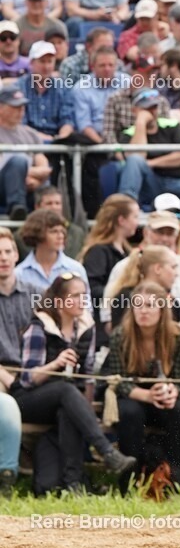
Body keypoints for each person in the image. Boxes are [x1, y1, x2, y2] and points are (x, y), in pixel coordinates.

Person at [13, 274, 136, 494]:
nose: (82, 301)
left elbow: (87, 376)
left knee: (68, 409)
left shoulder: (86, 328)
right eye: (76, 296)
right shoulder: (39, 327)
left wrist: (84, 411)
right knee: (65, 390)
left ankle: (74, 483)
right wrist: (56, 364)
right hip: (30, 399)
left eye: (84, 296)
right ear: (59, 301)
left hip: (65, 401)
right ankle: (106, 451)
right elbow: (27, 379)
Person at [105, 281, 180, 492]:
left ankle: (173, 477)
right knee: (130, 413)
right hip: (133, 394)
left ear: (162, 310)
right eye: (138, 305)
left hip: (163, 393)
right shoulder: (120, 336)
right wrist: (146, 395)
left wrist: (172, 392)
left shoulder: (179, 337)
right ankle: (131, 479)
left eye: (149, 305)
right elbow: (117, 379)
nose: (143, 311)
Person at [116, 88, 180, 267]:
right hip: (150, 186)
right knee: (134, 160)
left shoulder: (171, 125)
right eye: (146, 108)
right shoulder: (129, 133)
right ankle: (125, 211)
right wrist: (140, 123)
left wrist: (153, 162)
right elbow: (137, 156)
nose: (152, 111)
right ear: (135, 110)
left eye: (154, 107)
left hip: (179, 182)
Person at [0, 227, 32, 497]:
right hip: (2, 374)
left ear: (16, 255)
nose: (3, 257)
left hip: (32, 373)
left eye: (7, 251)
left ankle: (74, 477)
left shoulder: (38, 294)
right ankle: (7, 476)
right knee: (6, 405)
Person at [80, 194, 139, 339]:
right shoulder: (98, 251)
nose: (137, 222)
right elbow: (92, 288)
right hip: (103, 326)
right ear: (121, 220)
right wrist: (121, 295)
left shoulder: (127, 251)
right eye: (135, 217)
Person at [0, 84, 51, 220]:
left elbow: (44, 167)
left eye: (22, 107)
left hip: (30, 185)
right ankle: (17, 208)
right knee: (18, 161)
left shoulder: (31, 134)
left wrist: (34, 180)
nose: (21, 111)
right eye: (15, 107)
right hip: (2, 186)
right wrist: (21, 173)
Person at [106, 245, 180, 327]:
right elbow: (119, 332)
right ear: (158, 268)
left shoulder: (170, 300)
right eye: (173, 267)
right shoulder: (125, 297)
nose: (176, 274)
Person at [16, 209, 88, 293]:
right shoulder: (20, 273)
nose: (60, 236)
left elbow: (85, 300)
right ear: (37, 234)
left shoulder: (76, 269)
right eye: (54, 231)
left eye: (62, 231)